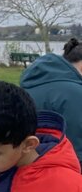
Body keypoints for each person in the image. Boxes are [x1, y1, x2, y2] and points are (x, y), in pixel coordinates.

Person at [20, 37, 82, 165]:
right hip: (69, 168)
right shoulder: (76, 93)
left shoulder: (30, 84)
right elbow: (77, 143)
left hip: (30, 163)